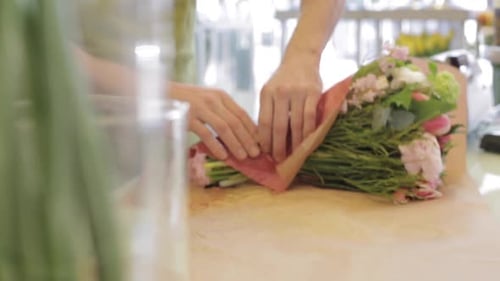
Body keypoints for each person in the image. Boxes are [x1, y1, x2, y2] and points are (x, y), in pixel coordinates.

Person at [74, 0, 345, 162]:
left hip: (176, 143)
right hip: (71, 150)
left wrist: (302, 57)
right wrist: (154, 94)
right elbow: (39, 46)